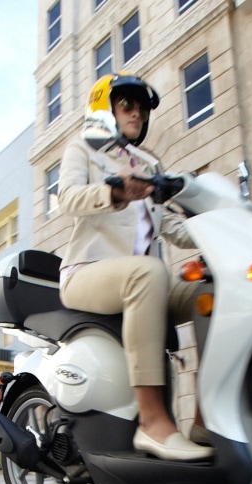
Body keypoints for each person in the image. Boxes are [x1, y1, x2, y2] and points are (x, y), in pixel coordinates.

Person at [57, 72, 213, 462]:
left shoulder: (149, 163)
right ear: (104, 107)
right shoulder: (83, 148)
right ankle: (152, 422)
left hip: (145, 283)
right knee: (148, 271)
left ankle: (207, 418)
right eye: (128, 104)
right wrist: (113, 191)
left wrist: (226, 226)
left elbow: (173, 228)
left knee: (211, 293)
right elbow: (68, 198)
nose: (137, 114)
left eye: (142, 109)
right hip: (86, 274)